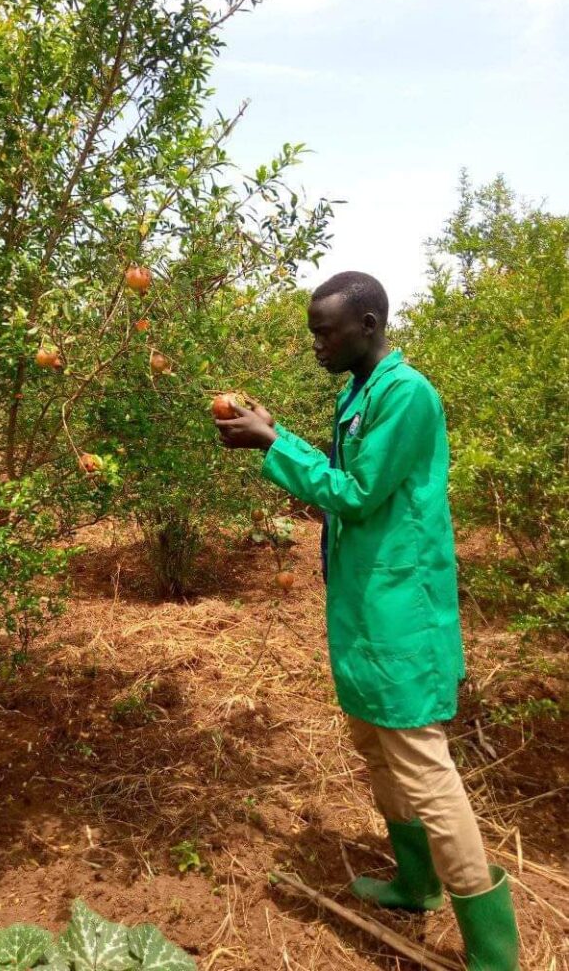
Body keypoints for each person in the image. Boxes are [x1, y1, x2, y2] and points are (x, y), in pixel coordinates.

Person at [214, 271, 519, 971]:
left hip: (399, 611)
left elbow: (354, 494)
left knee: (423, 765)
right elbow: (346, 477)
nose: (317, 344)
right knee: (376, 746)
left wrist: (271, 444)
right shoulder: (361, 392)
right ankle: (416, 884)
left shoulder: (407, 395)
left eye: (327, 332)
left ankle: (494, 951)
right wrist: (278, 434)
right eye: (314, 331)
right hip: (364, 603)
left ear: (371, 325)